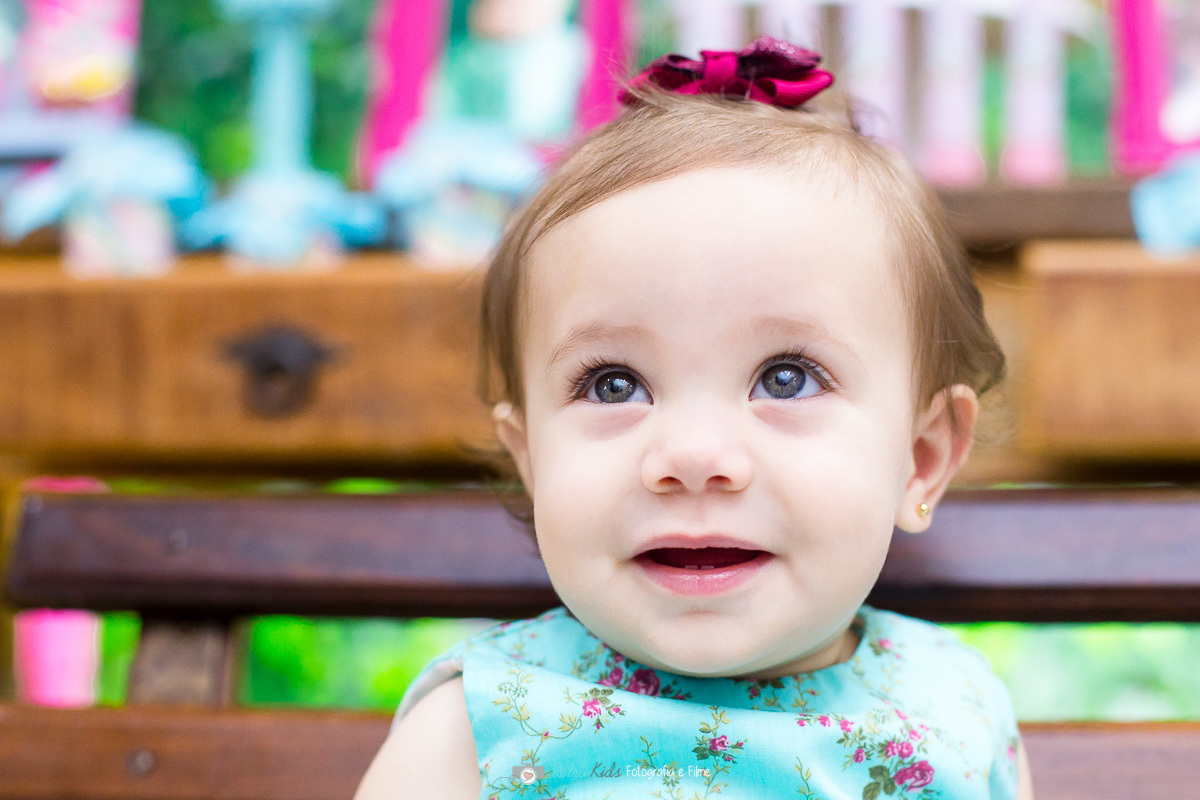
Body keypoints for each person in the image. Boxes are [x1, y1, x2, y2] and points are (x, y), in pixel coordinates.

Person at [355, 36, 1035, 800]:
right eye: (614, 386)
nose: (694, 455)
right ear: (532, 460)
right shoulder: (475, 733)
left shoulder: (955, 710)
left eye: (786, 378)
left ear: (921, 459)